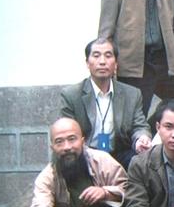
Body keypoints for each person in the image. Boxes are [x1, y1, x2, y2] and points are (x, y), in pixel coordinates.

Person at [60, 38, 152, 169]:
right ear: (87, 63)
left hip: (119, 153)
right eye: (96, 55)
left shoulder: (132, 94)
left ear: (116, 64)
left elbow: (140, 125)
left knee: (143, 161)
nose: (102, 61)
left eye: (108, 56)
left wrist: (141, 138)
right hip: (86, 154)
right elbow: (66, 131)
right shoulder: (71, 95)